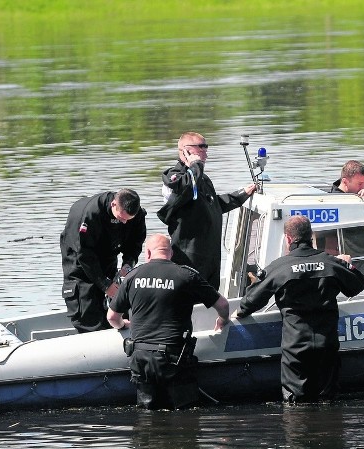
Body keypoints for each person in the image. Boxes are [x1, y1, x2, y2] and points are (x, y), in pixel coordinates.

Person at [232, 215, 364, 403]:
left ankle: (297, 431)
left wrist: (239, 312)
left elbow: (251, 301)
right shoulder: (331, 263)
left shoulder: (279, 268)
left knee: (295, 404)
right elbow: (357, 286)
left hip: (295, 348)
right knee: (327, 401)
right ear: (311, 236)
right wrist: (347, 263)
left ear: (288, 239)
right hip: (326, 345)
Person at [107, 234, 230, 410]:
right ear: (171, 253)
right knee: (185, 414)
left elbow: (112, 317)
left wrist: (123, 325)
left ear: (148, 253)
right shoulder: (186, 275)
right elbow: (223, 305)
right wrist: (222, 320)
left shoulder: (133, 276)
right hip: (174, 358)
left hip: (141, 358)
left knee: (147, 415)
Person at [157, 131, 257, 290]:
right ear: (185, 150)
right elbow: (186, 190)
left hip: (211, 255)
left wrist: (241, 194)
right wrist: (196, 165)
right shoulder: (174, 176)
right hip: (190, 257)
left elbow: (214, 205)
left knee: (211, 301)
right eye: (200, 147)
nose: (205, 152)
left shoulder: (202, 177)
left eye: (206, 147)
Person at [60, 189, 147, 333]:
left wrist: (128, 263)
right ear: (113, 204)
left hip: (108, 253)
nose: (124, 222)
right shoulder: (91, 214)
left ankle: (114, 326)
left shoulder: (135, 216)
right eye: (121, 218)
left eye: (128, 219)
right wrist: (105, 284)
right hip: (79, 257)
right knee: (88, 306)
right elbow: (84, 253)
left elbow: (136, 243)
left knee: (113, 298)